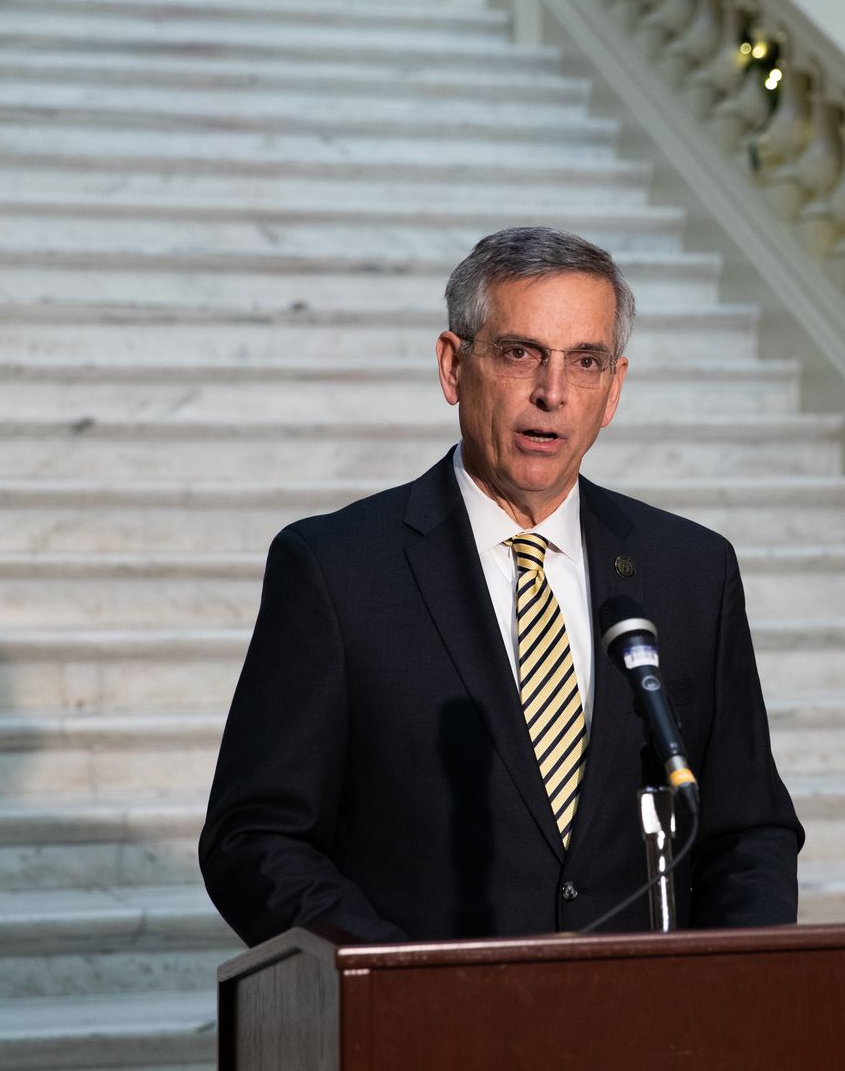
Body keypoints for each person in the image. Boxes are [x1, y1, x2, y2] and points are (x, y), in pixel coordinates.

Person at [199, 226, 803, 946]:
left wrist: (729, 987)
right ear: (454, 367)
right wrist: (401, 983)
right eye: (521, 353)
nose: (553, 393)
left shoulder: (692, 570)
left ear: (614, 389)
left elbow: (750, 831)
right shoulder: (336, 569)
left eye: (585, 362)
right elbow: (255, 839)